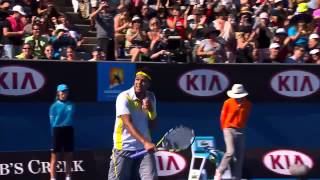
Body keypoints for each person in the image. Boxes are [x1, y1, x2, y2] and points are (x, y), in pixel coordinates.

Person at [108, 68, 158, 180]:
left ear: (148, 84)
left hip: (144, 150)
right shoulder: (123, 97)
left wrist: (151, 110)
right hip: (124, 147)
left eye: (143, 81)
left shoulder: (151, 97)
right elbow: (127, 123)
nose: (139, 83)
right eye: (137, 79)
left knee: (151, 178)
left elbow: (153, 126)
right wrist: (145, 142)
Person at [215, 84, 252, 180]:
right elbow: (222, 118)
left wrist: (240, 127)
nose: (237, 98)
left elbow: (245, 118)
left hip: (240, 131)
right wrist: (225, 128)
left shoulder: (248, 104)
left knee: (239, 157)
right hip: (228, 129)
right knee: (230, 152)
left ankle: (236, 178)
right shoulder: (227, 102)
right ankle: (219, 171)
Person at [49, 84, 75, 180]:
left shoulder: (72, 105)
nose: (64, 93)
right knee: (54, 156)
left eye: (66, 91)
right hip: (57, 131)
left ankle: (68, 177)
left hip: (68, 130)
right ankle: (53, 178)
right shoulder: (53, 107)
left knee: (69, 155)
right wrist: (56, 131)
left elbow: (70, 118)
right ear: (58, 93)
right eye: (62, 91)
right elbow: (52, 122)